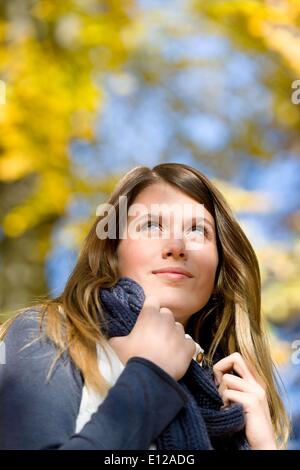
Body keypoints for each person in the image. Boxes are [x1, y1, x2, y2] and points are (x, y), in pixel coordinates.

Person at [0, 163, 290, 450]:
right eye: (151, 225)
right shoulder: (48, 333)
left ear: (219, 268)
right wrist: (150, 377)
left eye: (198, 231)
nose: (177, 245)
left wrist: (263, 446)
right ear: (112, 253)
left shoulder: (227, 406)